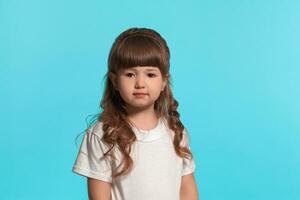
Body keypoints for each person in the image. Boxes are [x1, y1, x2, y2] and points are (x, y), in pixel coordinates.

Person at [72, 27, 199, 200]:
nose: (140, 83)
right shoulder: (103, 135)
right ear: (115, 81)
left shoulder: (175, 131)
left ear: (164, 82)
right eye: (130, 74)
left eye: (150, 74)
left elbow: (187, 187)